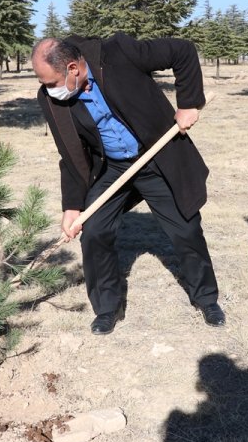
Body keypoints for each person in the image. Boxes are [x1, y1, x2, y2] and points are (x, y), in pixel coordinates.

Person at [31, 34, 224, 335]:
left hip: (156, 156)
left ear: (73, 68)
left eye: (50, 82)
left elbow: (182, 51)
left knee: (186, 228)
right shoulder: (51, 101)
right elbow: (69, 155)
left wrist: (188, 103)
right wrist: (72, 207)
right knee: (93, 231)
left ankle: (206, 298)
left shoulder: (118, 53)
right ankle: (107, 308)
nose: (47, 90)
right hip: (111, 168)